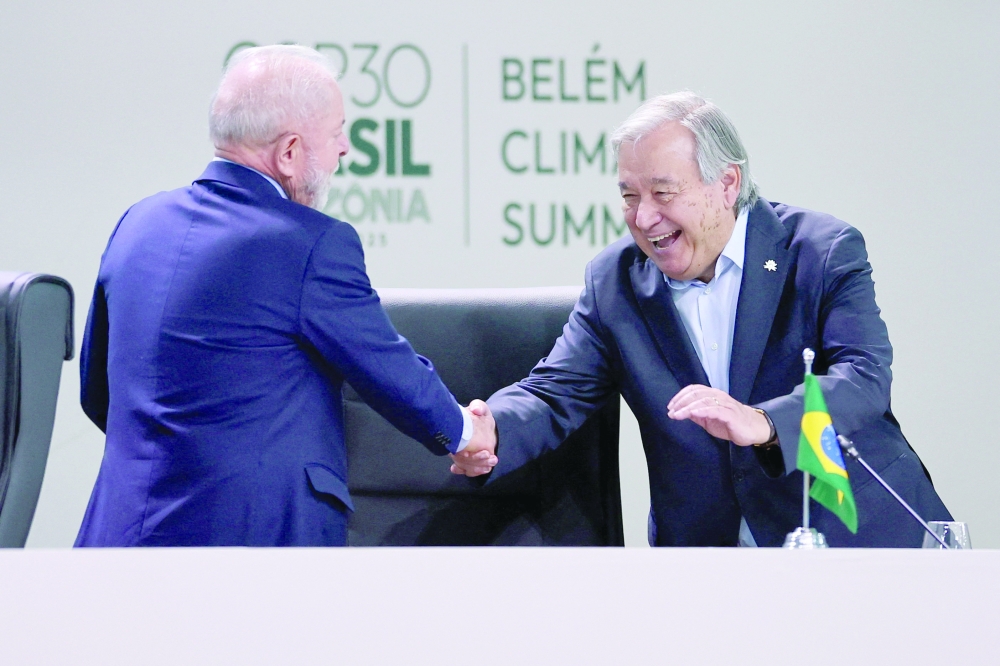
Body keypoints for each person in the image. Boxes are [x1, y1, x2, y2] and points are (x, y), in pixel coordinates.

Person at [452, 91, 951, 547]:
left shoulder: (820, 252)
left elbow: (862, 379)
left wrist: (763, 422)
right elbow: (554, 391)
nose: (643, 218)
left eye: (663, 193)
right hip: (706, 560)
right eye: (629, 196)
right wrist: (492, 429)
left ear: (727, 183)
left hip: (852, 538)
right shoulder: (616, 282)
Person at [75, 45, 496, 547]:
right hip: (247, 556)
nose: (345, 149)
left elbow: (98, 394)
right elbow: (388, 369)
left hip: (114, 545)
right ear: (290, 152)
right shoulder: (308, 243)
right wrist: (467, 436)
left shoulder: (136, 224)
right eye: (338, 131)